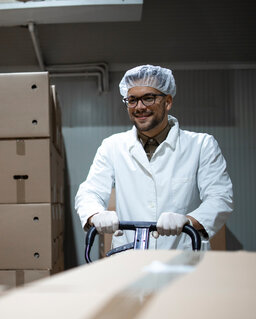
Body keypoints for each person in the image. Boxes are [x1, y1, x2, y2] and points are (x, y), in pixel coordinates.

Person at [74, 64, 233, 250]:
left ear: (167, 102)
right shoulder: (112, 146)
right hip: (128, 257)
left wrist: (188, 221)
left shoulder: (201, 145)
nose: (139, 107)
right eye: (132, 100)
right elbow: (89, 192)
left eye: (148, 98)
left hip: (181, 257)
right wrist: (96, 214)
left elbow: (220, 197)